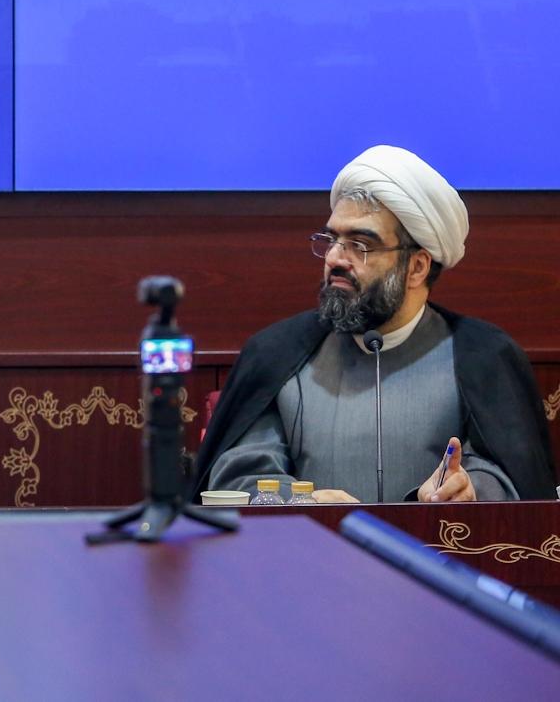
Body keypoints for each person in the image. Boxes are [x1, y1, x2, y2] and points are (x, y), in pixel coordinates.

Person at [194, 146, 555, 504]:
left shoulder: (482, 357)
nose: (335, 258)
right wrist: (306, 503)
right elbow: (240, 475)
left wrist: (467, 488)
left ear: (417, 267)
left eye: (360, 245)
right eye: (331, 240)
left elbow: (510, 477)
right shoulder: (279, 353)